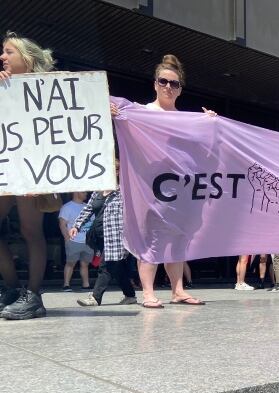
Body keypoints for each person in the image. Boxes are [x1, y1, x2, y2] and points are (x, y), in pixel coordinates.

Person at [110, 54, 213, 308]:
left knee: (179, 238)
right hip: (151, 189)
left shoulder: (187, 121)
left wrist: (211, 124)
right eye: (164, 81)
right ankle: (148, 292)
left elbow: (205, 151)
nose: (168, 87)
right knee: (152, 239)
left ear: (180, 89)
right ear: (155, 84)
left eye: (174, 84)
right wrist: (112, 114)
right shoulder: (141, 112)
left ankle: (178, 290)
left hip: (181, 191)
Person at [0, 32, 55, 320]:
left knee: (30, 231)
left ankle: (33, 295)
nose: (2, 56)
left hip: (36, 169)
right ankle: (11, 290)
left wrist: (44, 175)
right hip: (6, 167)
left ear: (27, 58)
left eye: (9, 51)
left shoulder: (50, 88)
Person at [58, 192, 94, 292]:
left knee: (85, 264)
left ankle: (86, 285)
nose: (86, 194)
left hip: (87, 241)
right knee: (70, 263)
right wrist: (67, 238)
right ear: (76, 192)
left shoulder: (88, 207)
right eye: (83, 192)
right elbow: (62, 224)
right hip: (74, 240)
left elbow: (93, 222)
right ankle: (66, 284)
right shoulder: (67, 207)